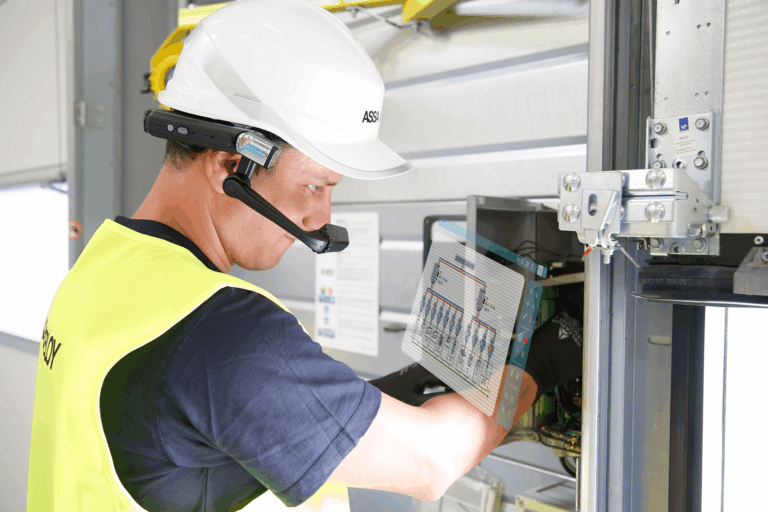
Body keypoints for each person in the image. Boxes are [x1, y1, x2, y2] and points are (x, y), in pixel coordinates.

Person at [26, 1, 582, 510]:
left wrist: (379, 397)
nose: (319, 218)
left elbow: (207, 423)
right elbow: (432, 462)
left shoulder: (100, 271)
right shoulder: (222, 333)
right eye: (314, 187)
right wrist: (540, 364)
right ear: (228, 165)